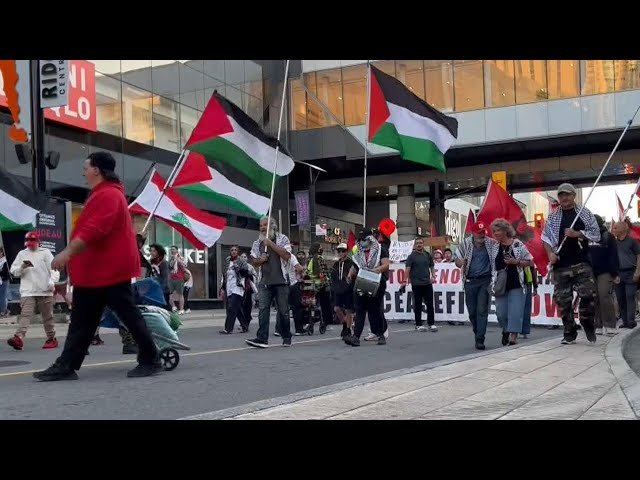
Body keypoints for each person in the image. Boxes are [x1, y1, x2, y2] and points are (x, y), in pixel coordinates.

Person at [33, 151, 159, 381]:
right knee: (83, 321)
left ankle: (151, 358)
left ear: (97, 170)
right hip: (96, 272)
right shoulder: (102, 194)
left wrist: (66, 253)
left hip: (108, 271)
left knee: (128, 315)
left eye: (86, 167)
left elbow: (94, 230)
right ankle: (67, 365)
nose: (83, 171)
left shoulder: (109, 195)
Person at [542, 182, 600, 345]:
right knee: (563, 301)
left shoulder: (584, 213)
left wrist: (577, 234)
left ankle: (587, 322)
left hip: (581, 263)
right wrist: (550, 254)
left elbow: (596, 234)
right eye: (561, 195)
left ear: (574, 196)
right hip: (561, 265)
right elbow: (545, 239)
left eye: (567, 194)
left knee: (588, 295)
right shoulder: (553, 217)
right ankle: (569, 330)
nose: (564, 197)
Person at [7, 232, 60, 350]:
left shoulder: (45, 253)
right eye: (29, 244)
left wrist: (52, 281)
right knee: (25, 314)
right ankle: (19, 337)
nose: (30, 246)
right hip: (28, 290)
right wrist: (22, 267)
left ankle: (51, 338)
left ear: (38, 242)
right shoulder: (22, 253)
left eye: (33, 243)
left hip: (44, 289)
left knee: (47, 316)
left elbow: (54, 269)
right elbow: (13, 271)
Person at [246, 216, 292, 348]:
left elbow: (286, 255)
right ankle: (262, 338)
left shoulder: (282, 239)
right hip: (264, 282)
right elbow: (254, 262)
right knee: (263, 310)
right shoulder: (257, 243)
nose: (262, 228)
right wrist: (262, 259)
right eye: (261, 225)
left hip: (281, 281)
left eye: (265, 225)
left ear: (273, 226)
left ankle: (286, 336)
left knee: (283, 311)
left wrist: (271, 244)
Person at [454, 221, 499, 350]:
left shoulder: (491, 243)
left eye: (483, 232)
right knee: (472, 312)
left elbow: (500, 250)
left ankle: (480, 339)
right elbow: (457, 261)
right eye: (479, 233)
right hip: (470, 281)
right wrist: (460, 261)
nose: (481, 235)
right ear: (473, 233)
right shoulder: (466, 244)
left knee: (482, 310)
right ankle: (477, 331)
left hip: (485, 281)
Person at [343, 228, 390, 347]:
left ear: (371, 238)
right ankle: (356, 337)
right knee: (360, 309)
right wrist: (350, 275)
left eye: (365, 239)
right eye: (361, 239)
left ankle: (380, 335)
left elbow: (386, 264)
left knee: (375, 309)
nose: (363, 241)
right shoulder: (358, 251)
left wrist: (376, 270)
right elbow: (355, 266)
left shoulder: (380, 250)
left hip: (377, 281)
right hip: (362, 281)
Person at [491, 218, 534, 346]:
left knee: (516, 311)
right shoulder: (493, 246)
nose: (496, 233)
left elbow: (530, 261)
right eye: (494, 231)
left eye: (498, 230)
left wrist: (517, 262)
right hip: (500, 284)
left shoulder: (517, 244)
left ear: (505, 230)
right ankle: (505, 329)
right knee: (501, 313)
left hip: (516, 283)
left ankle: (513, 336)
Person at [591, 214, 619, 336]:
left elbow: (613, 256)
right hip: (590, 272)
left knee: (605, 297)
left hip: (605, 272)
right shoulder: (585, 237)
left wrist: (615, 274)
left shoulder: (608, 237)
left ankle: (610, 325)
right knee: (594, 298)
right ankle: (598, 324)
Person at [402, 237, 437, 332]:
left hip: (427, 283)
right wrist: (404, 281)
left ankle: (431, 324)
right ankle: (418, 324)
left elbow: (432, 266)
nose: (419, 244)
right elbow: (407, 269)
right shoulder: (411, 256)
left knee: (430, 304)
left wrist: (433, 276)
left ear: (423, 244)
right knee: (417, 305)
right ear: (415, 245)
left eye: (420, 243)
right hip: (416, 284)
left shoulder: (427, 255)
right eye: (417, 243)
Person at [612, 220, 639, 330]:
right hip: (618, 273)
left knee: (629, 296)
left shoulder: (632, 242)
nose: (614, 230)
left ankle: (631, 321)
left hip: (630, 272)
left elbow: (639, 256)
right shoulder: (613, 243)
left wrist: (638, 271)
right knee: (620, 297)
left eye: (616, 228)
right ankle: (624, 321)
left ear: (624, 229)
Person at [219, 245, 249, 334]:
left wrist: (237, 267)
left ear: (238, 251)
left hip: (238, 287)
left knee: (231, 307)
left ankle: (228, 329)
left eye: (235, 250)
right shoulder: (228, 260)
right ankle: (245, 326)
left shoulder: (241, 260)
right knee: (237, 308)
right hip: (229, 287)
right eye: (232, 250)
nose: (234, 251)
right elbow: (225, 275)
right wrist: (222, 288)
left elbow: (245, 273)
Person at [331, 242, 355, 338]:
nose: (341, 253)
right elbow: (333, 277)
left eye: (343, 251)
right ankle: (345, 323)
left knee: (349, 310)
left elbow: (354, 274)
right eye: (339, 251)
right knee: (337, 308)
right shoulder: (336, 264)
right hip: (338, 290)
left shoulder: (351, 263)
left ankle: (348, 329)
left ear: (347, 251)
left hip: (348, 290)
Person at [307, 243, 332, 330]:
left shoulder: (309, 259)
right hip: (321, 285)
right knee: (325, 304)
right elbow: (323, 273)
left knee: (313, 305)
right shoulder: (319, 258)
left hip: (312, 285)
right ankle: (325, 321)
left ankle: (313, 320)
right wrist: (327, 284)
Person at [521, 264, 539, 338]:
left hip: (525, 281)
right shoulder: (528, 254)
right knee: (525, 307)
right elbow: (533, 269)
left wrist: (535, 286)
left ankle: (522, 330)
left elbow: (532, 269)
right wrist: (535, 286)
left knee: (524, 308)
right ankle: (523, 331)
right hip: (526, 280)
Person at [168, 246, 187, 314]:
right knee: (169, 294)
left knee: (180, 294)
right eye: (171, 249)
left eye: (174, 249)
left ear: (177, 250)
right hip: (171, 278)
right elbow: (169, 268)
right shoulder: (170, 259)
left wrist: (177, 259)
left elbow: (184, 265)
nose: (172, 251)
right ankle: (173, 306)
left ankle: (181, 309)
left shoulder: (181, 258)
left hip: (179, 278)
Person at [0, 246, 9, 317]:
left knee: (3, 296)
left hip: (4, 280)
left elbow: (6, 271)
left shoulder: (5, 261)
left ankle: (3, 310)